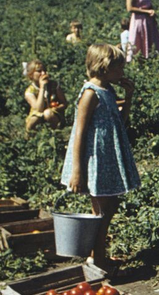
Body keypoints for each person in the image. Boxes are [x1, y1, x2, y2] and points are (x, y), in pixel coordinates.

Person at [60, 44, 139, 276]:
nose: (123, 72)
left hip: (107, 158)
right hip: (94, 160)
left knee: (106, 207)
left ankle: (97, 255)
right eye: (119, 68)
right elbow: (79, 133)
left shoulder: (107, 90)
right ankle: (98, 258)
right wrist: (77, 171)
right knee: (105, 208)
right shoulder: (90, 93)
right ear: (104, 68)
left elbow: (119, 122)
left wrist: (129, 97)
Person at [23, 59, 68, 131]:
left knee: (48, 113)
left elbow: (64, 103)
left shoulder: (54, 85)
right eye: (39, 71)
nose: (43, 73)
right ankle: (32, 137)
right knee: (33, 120)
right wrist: (42, 88)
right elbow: (38, 109)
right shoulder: (29, 92)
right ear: (31, 75)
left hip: (54, 115)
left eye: (44, 70)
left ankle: (55, 132)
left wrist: (56, 108)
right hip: (39, 116)